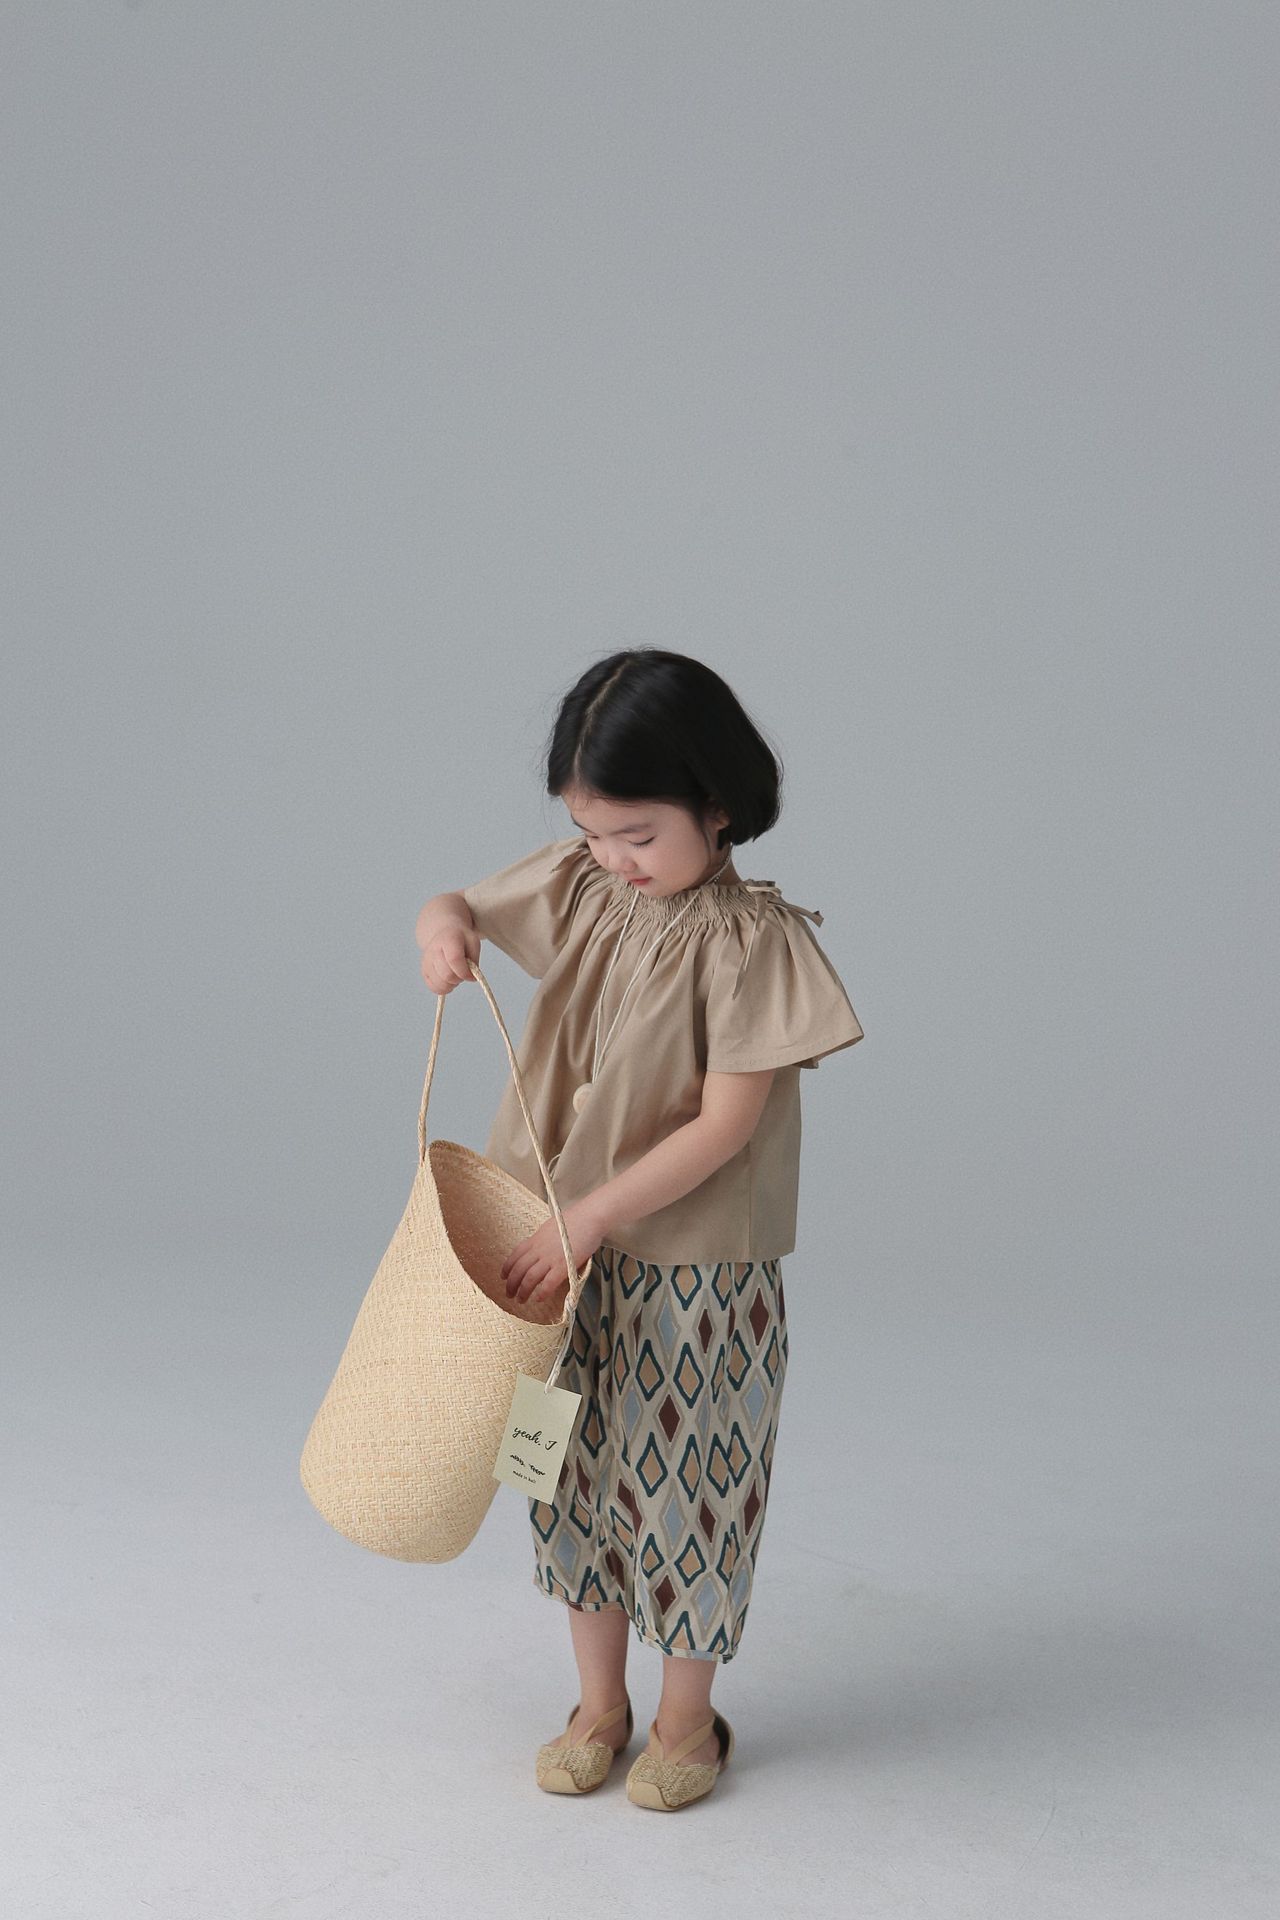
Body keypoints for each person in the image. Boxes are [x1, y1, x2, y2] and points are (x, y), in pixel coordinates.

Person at [414, 648, 864, 1809]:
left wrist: (593, 1216)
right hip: (555, 1255)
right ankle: (596, 1705)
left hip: (691, 1268)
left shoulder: (754, 944)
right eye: (590, 830)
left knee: (688, 1484)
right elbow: (454, 900)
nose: (613, 857)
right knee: (560, 1466)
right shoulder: (583, 886)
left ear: (716, 806)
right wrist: (444, 934)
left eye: (638, 834)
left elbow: (725, 1125)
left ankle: (684, 1720)